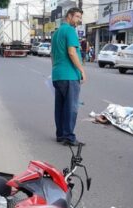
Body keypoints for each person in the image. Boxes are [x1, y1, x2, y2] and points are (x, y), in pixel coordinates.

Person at [51, 7, 86, 146]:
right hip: (69, 76)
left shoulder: (56, 33)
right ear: (69, 16)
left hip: (57, 75)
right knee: (71, 107)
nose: (79, 20)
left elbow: (52, 56)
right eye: (77, 17)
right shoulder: (70, 31)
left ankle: (60, 135)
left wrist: (55, 69)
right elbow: (72, 52)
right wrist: (82, 70)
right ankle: (69, 137)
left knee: (60, 106)